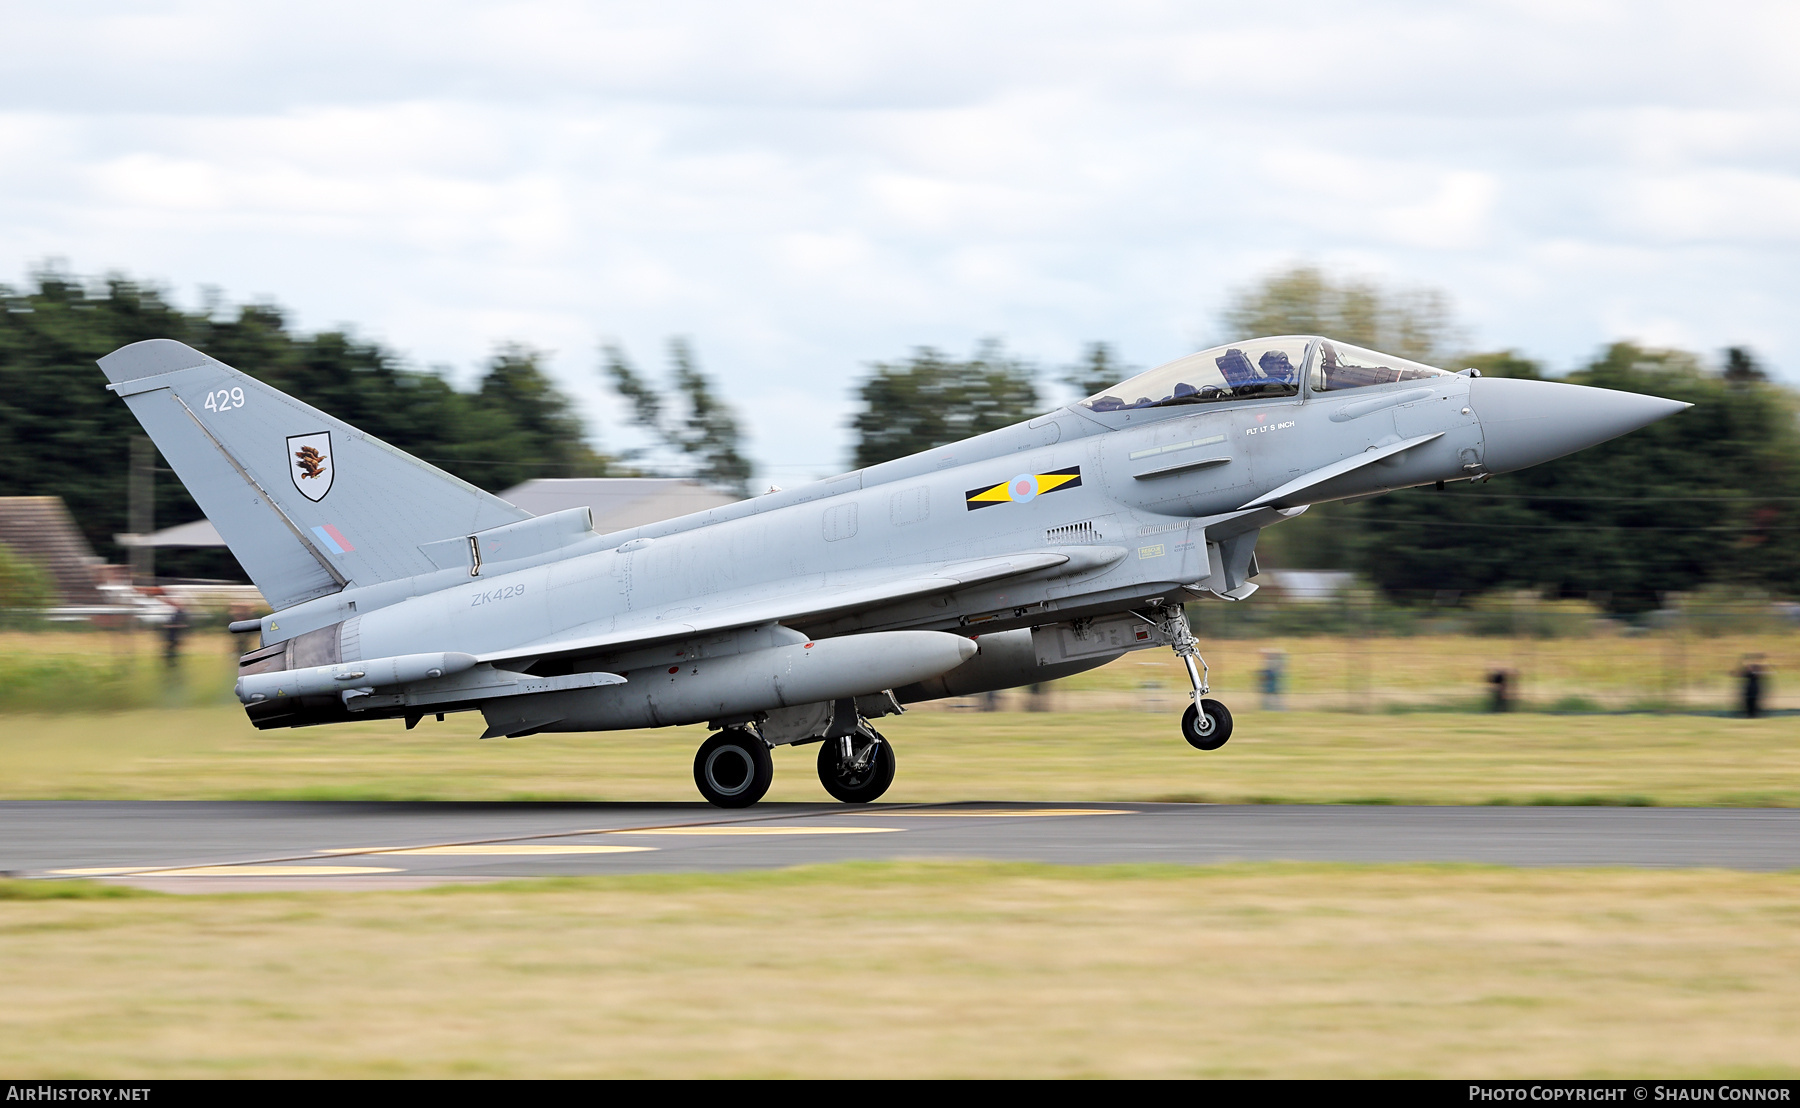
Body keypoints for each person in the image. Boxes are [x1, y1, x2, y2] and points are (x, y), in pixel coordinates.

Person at [1738, 654, 1768, 719]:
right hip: (1753, 688)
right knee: (1751, 702)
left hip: (1751, 688)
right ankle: (1752, 714)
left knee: (1751, 702)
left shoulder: (1753, 670)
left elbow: (1743, 673)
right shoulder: (1757, 669)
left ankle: (1752, 715)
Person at [162, 600, 189, 669]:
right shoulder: (176, 612)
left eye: (177, 604)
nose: (175, 605)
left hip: (176, 635)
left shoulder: (182, 613)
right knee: (170, 648)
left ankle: (171, 663)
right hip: (172, 634)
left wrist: (170, 626)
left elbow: (184, 625)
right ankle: (171, 663)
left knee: (172, 649)